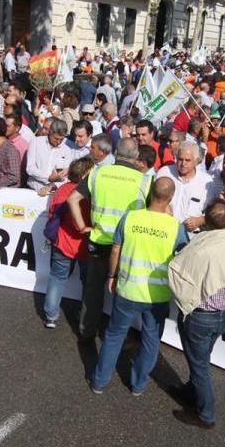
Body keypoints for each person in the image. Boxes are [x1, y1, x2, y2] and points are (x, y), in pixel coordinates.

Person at [167, 200, 225, 428]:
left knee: (200, 365)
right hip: (223, 315)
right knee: (201, 360)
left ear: (206, 221)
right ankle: (191, 392)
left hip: (200, 315)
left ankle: (206, 415)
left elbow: (177, 269)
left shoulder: (200, 247)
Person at [89, 178, 187, 395]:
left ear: (151, 193)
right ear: (170, 198)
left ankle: (99, 381)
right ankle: (138, 384)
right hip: (157, 296)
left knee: (114, 335)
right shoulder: (174, 227)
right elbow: (184, 257)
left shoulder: (131, 217)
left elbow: (115, 250)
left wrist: (112, 276)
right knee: (151, 340)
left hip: (127, 289)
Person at [66, 138, 150, 343]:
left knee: (93, 290)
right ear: (136, 156)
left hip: (99, 240)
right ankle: (117, 338)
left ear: (116, 153)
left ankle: (86, 332)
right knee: (123, 294)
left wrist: (81, 227)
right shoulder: (144, 180)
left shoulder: (98, 172)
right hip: (128, 246)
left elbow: (72, 199)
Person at [41, 156, 94, 329]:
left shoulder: (62, 190)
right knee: (88, 282)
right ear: (86, 174)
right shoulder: (90, 194)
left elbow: (51, 215)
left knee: (57, 278)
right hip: (85, 244)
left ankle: (50, 316)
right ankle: (85, 319)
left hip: (63, 242)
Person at [156, 142, 212, 230]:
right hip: (162, 229)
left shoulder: (207, 182)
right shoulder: (165, 172)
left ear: (196, 161)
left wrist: (201, 220)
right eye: (180, 159)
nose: (183, 164)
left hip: (189, 236)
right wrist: (161, 206)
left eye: (188, 160)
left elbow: (214, 212)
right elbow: (152, 196)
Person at [25, 120, 73, 193]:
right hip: (33, 190)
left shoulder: (67, 150)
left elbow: (66, 177)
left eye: (61, 139)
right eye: (56, 138)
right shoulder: (35, 142)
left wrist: (52, 186)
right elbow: (30, 168)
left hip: (54, 192)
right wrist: (48, 177)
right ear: (50, 132)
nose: (58, 142)